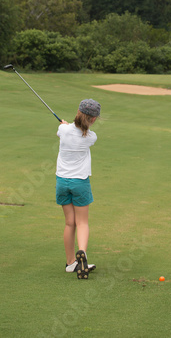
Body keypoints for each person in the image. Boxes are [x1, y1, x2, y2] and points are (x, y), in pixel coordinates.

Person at [55, 98, 101, 280]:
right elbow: (81, 132)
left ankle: (70, 263)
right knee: (82, 222)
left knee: (69, 223)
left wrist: (65, 125)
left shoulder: (63, 130)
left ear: (78, 111)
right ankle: (82, 254)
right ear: (94, 119)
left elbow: (64, 131)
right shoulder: (91, 137)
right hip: (80, 183)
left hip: (62, 183)